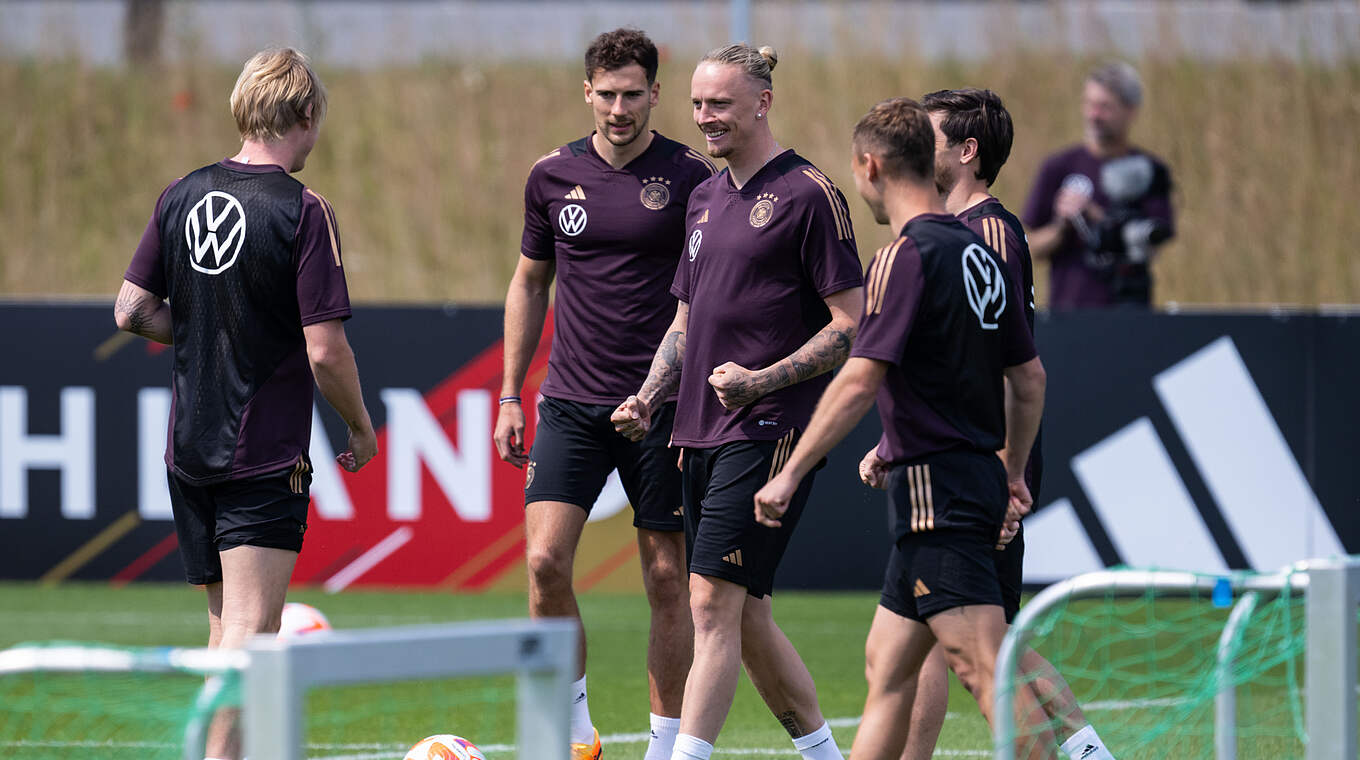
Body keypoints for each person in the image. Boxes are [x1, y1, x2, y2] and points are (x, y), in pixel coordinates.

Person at [751, 96, 1048, 760]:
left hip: (937, 490)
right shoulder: (980, 251)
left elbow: (859, 377)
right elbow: (1028, 381)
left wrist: (790, 472)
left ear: (870, 165)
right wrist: (1012, 472)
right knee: (887, 668)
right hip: (963, 477)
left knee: (985, 669)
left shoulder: (904, 255)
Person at [114, 48, 377, 760]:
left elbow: (132, 310)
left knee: (224, 627)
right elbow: (325, 351)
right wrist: (359, 426)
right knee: (251, 634)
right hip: (260, 450)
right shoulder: (303, 209)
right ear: (306, 114)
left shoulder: (181, 192)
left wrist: (201, 331)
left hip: (189, 445)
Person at [612, 43, 863, 760]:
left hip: (770, 426)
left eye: (719, 103)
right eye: (696, 104)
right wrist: (651, 395)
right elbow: (687, 325)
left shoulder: (810, 195)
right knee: (745, 613)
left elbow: (850, 325)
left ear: (762, 101)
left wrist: (761, 381)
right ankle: (824, 755)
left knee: (710, 604)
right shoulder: (704, 196)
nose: (704, 117)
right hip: (697, 429)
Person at [493, 28, 717, 760]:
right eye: (606, 94)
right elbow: (530, 281)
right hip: (570, 403)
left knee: (663, 577)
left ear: (656, 92)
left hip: (662, 408)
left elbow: (708, 296)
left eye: (632, 94)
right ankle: (575, 727)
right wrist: (508, 394)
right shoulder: (551, 176)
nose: (619, 108)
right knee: (544, 564)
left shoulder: (691, 179)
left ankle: (664, 745)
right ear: (586, 92)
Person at [875, 87, 1116, 760]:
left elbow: (1008, 368)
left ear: (966, 151)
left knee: (980, 645)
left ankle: (1081, 752)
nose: (916, 151)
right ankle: (1090, 751)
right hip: (969, 457)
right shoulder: (964, 229)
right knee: (959, 637)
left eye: (930, 138)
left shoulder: (983, 232)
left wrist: (1007, 474)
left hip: (977, 463)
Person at [1023, 61, 1175, 308]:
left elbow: (1154, 242)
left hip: (1129, 309)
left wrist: (1098, 216)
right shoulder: (1059, 166)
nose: (1094, 115)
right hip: (1069, 311)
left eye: (1105, 107)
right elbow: (1029, 249)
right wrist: (1062, 226)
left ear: (1131, 111)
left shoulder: (1149, 170)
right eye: (1089, 104)